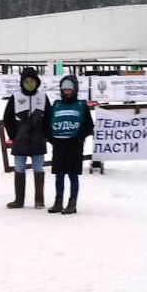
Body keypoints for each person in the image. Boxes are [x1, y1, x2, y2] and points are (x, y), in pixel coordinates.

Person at [2, 66, 52, 209]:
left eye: (32, 80)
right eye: (26, 81)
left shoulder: (43, 97)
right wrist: (13, 135)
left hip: (38, 141)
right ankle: (19, 200)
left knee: (38, 170)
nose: (29, 83)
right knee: (19, 169)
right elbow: (7, 117)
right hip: (21, 141)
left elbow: (49, 117)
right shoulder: (16, 97)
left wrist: (46, 135)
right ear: (22, 82)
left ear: (36, 81)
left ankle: (39, 200)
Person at [46, 75, 94, 214]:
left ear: (75, 90)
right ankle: (58, 201)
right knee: (59, 175)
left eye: (69, 89)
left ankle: (72, 203)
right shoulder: (56, 105)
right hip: (59, 144)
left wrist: (79, 136)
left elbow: (89, 126)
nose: (67, 92)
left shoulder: (81, 105)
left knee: (73, 175)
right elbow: (48, 125)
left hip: (74, 146)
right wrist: (52, 139)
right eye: (64, 89)